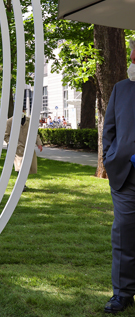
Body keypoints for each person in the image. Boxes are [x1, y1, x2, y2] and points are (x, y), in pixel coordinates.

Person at [102, 40, 135, 313]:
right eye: (133, 51)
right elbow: (109, 129)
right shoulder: (120, 89)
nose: (133, 57)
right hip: (126, 175)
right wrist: (110, 158)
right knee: (123, 234)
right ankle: (123, 294)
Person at [3, 109, 43, 176]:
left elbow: (34, 133)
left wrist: (39, 143)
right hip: (17, 147)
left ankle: (22, 183)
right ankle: (21, 184)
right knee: (19, 165)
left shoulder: (29, 120)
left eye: (22, 110)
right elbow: (6, 135)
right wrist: (12, 143)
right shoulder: (10, 121)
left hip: (28, 146)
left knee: (28, 165)